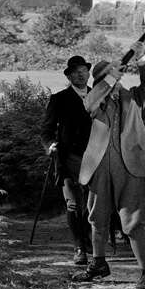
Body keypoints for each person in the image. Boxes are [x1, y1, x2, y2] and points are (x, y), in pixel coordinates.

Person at [71, 45, 145, 289]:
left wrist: (141, 60)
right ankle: (99, 264)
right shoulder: (93, 99)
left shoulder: (132, 97)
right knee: (96, 218)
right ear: (101, 81)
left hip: (130, 169)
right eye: (108, 76)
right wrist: (112, 76)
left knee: (132, 224)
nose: (116, 80)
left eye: (116, 75)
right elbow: (91, 102)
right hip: (99, 168)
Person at [41, 55, 96, 265]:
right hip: (68, 158)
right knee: (74, 204)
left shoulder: (97, 95)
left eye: (83, 70)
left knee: (92, 204)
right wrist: (50, 146)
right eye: (75, 71)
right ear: (69, 76)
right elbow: (46, 130)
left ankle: (89, 239)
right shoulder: (59, 99)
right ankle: (79, 247)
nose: (80, 74)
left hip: (95, 157)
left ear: (88, 73)